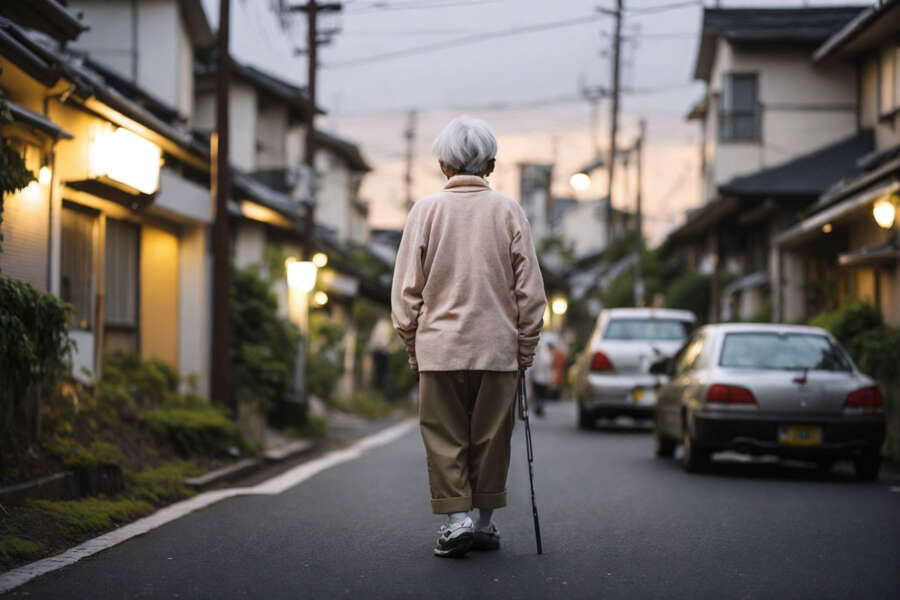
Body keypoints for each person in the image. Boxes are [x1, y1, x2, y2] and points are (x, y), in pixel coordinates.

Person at [391, 116, 546, 558]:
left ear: (442, 165)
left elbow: (406, 292)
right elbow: (530, 292)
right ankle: (484, 523)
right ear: (492, 165)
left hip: (439, 347)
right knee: (491, 438)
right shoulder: (509, 211)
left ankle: (455, 520)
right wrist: (525, 347)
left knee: (444, 436)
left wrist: (412, 345)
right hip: (497, 350)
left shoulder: (425, 211)